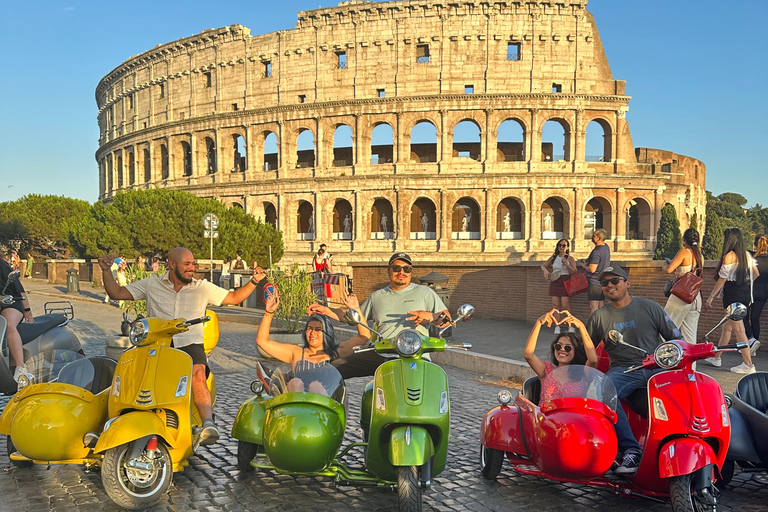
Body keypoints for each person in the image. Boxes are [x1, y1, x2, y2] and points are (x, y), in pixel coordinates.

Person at [99, 247, 267, 444]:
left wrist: (254, 281)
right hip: (157, 344)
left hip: (189, 343)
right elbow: (116, 292)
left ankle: (207, 423)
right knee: (132, 371)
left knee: (197, 373)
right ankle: (121, 417)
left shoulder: (202, 287)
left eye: (193, 264)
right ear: (171, 264)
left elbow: (234, 298)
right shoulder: (152, 284)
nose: (192, 268)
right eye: (187, 264)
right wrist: (105, 270)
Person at [586, 265, 683, 476]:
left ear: (627, 283)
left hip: (657, 367)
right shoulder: (599, 317)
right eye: (605, 283)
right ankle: (631, 450)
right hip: (624, 370)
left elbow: (677, 339)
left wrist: (679, 356)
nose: (610, 286)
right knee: (605, 390)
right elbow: (584, 349)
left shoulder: (650, 307)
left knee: (688, 392)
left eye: (615, 281)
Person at [312, 252, 451, 379]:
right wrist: (326, 310)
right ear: (389, 270)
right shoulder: (377, 296)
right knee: (333, 369)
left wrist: (430, 316)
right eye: (396, 268)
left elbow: (447, 320)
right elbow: (353, 317)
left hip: (415, 354)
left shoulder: (425, 292)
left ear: (411, 271)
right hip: (382, 353)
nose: (401, 272)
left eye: (406, 269)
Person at [256, 288, 340, 395]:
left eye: (318, 329)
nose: (312, 333)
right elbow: (262, 341)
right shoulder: (296, 352)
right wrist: (269, 312)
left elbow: (362, 338)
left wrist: (329, 312)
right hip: (296, 403)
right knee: (296, 382)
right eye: (309, 328)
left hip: (323, 406)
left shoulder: (336, 353)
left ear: (327, 332)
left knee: (316, 386)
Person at [704, 228, 760, 373]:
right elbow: (756, 273)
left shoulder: (729, 256)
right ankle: (717, 357)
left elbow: (722, 279)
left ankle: (748, 364)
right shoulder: (747, 255)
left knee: (739, 330)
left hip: (732, 295)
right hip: (744, 294)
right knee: (727, 328)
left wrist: (711, 297)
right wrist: (745, 283)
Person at [524, 309, 597, 403]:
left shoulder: (582, 373)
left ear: (577, 351)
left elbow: (593, 360)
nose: (562, 349)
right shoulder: (546, 370)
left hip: (572, 416)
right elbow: (528, 355)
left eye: (568, 348)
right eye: (558, 346)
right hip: (546, 416)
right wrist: (538, 323)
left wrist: (581, 327)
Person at [662, 228, 703, 344]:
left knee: (667, 328)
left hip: (681, 295)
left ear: (684, 240)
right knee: (690, 335)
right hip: (695, 296)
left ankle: (665, 358)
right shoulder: (700, 256)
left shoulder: (684, 252)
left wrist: (664, 266)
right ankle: (690, 362)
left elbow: (669, 269)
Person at [0, 254, 34, 381]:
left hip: (11, 302)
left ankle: (21, 367)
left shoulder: (2, 266)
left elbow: (19, 289)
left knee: (8, 324)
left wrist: (27, 310)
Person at [540, 238, 578, 333]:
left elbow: (574, 272)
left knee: (565, 305)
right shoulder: (554, 258)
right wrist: (545, 271)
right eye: (560, 245)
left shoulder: (570, 258)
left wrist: (566, 264)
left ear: (567, 247)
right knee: (555, 305)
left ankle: (570, 325)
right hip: (555, 281)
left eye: (564, 245)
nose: (561, 247)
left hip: (565, 282)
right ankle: (557, 325)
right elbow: (543, 265)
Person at [579, 228, 610, 314]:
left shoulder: (596, 251)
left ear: (599, 238)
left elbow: (592, 269)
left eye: (594, 236)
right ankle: (602, 325)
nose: (592, 237)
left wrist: (584, 266)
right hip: (603, 280)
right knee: (601, 305)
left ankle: (594, 326)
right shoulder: (606, 247)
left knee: (594, 306)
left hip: (595, 281)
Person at [745, 235, 768, 350]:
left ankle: (751, 339)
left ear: (754, 244)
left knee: (744, 317)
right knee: (755, 318)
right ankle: (755, 345)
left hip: (751, 291)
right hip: (764, 292)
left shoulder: (750, 255)